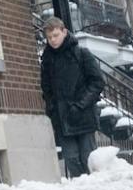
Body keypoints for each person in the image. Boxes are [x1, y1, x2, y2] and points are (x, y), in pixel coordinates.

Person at [40, 17, 105, 179]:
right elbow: (46, 89)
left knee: (88, 159)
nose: (53, 40)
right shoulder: (47, 60)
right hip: (63, 120)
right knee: (72, 160)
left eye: (55, 35)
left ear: (64, 31)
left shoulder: (81, 54)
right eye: (49, 37)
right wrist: (52, 109)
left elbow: (97, 82)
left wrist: (81, 105)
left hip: (83, 116)